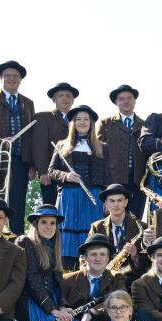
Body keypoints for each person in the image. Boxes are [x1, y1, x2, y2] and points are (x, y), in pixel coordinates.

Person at [14, 205, 86, 321]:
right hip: (30, 303)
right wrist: (53, 311)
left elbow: (57, 283)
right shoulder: (25, 241)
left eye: (52, 223)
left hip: (49, 303)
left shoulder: (54, 245)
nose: (49, 226)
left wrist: (63, 306)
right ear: (36, 224)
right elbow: (32, 280)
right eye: (44, 222)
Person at [49, 105, 107, 268]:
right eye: (78, 119)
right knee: (66, 237)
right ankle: (67, 271)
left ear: (91, 123)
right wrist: (66, 176)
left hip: (93, 197)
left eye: (86, 119)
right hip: (69, 196)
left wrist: (107, 200)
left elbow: (107, 177)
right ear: (73, 123)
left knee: (92, 235)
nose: (82, 122)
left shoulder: (102, 147)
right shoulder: (61, 145)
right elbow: (51, 171)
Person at [0, 60, 35, 235]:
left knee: (18, 202)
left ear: (20, 79)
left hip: (20, 159)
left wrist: (32, 164)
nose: (12, 79)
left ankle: (16, 239)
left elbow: (31, 136)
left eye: (15, 76)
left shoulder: (28, 103)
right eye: (8, 76)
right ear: (1, 78)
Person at [98, 84, 147, 216]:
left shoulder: (144, 124)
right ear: (116, 102)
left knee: (135, 219)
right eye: (122, 98)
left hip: (138, 182)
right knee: (112, 218)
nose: (126, 101)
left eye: (129, 98)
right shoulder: (105, 123)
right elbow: (98, 154)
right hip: (113, 181)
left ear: (134, 101)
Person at [30, 82, 78, 205]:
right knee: (51, 208)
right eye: (61, 95)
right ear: (54, 99)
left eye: (68, 96)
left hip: (73, 176)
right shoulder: (43, 117)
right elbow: (39, 146)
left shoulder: (78, 120)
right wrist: (43, 172)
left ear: (73, 100)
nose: (65, 98)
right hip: (50, 175)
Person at [61, 234, 123, 321]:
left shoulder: (117, 278)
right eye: (93, 254)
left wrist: (90, 312)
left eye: (102, 254)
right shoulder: (67, 279)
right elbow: (60, 301)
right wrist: (62, 308)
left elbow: (119, 302)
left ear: (108, 258)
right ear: (85, 257)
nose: (98, 258)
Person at [90, 184, 147, 283]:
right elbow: (85, 255)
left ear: (126, 202)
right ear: (106, 204)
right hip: (103, 277)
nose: (116, 204)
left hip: (132, 279)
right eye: (112, 201)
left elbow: (149, 262)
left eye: (119, 200)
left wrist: (135, 256)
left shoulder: (141, 227)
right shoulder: (96, 227)